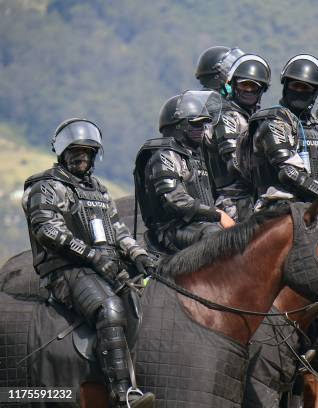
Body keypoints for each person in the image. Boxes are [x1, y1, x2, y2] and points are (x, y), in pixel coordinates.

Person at [22, 119, 155, 408]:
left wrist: (138, 255)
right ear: (62, 153)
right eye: (75, 151)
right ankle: (123, 395)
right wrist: (92, 256)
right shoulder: (45, 186)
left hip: (102, 266)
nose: (82, 156)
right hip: (65, 271)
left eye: (88, 151)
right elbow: (47, 230)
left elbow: (118, 231)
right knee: (109, 309)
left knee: (138, 301)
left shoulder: (99, 189)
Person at [236, 54, 318, 215]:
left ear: (315, 92)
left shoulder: (313, 123)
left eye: (306, 88)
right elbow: (289, 172)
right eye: (295, 86)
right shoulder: (273, 121)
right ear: (286, 86)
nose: (299, 91)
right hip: (277, 207)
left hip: (313, 203)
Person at [134, 90, 234, 253]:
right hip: (170, 229)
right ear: (177, 125)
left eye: (204, 123)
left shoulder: (197, 157)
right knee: (213, 235)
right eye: (195, 123)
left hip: (201, 224)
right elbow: (176, 201)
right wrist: (217, 214)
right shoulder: (164, 155)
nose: (202, 128)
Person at [204, 53, 271, 220]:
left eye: (253, 87)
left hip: (255, 196)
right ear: (233, 85)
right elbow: (235, 163)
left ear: (261, 90)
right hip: (232, 201)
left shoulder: (254, 120)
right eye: (244, 85)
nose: (248, 90)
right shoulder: (226, 117)